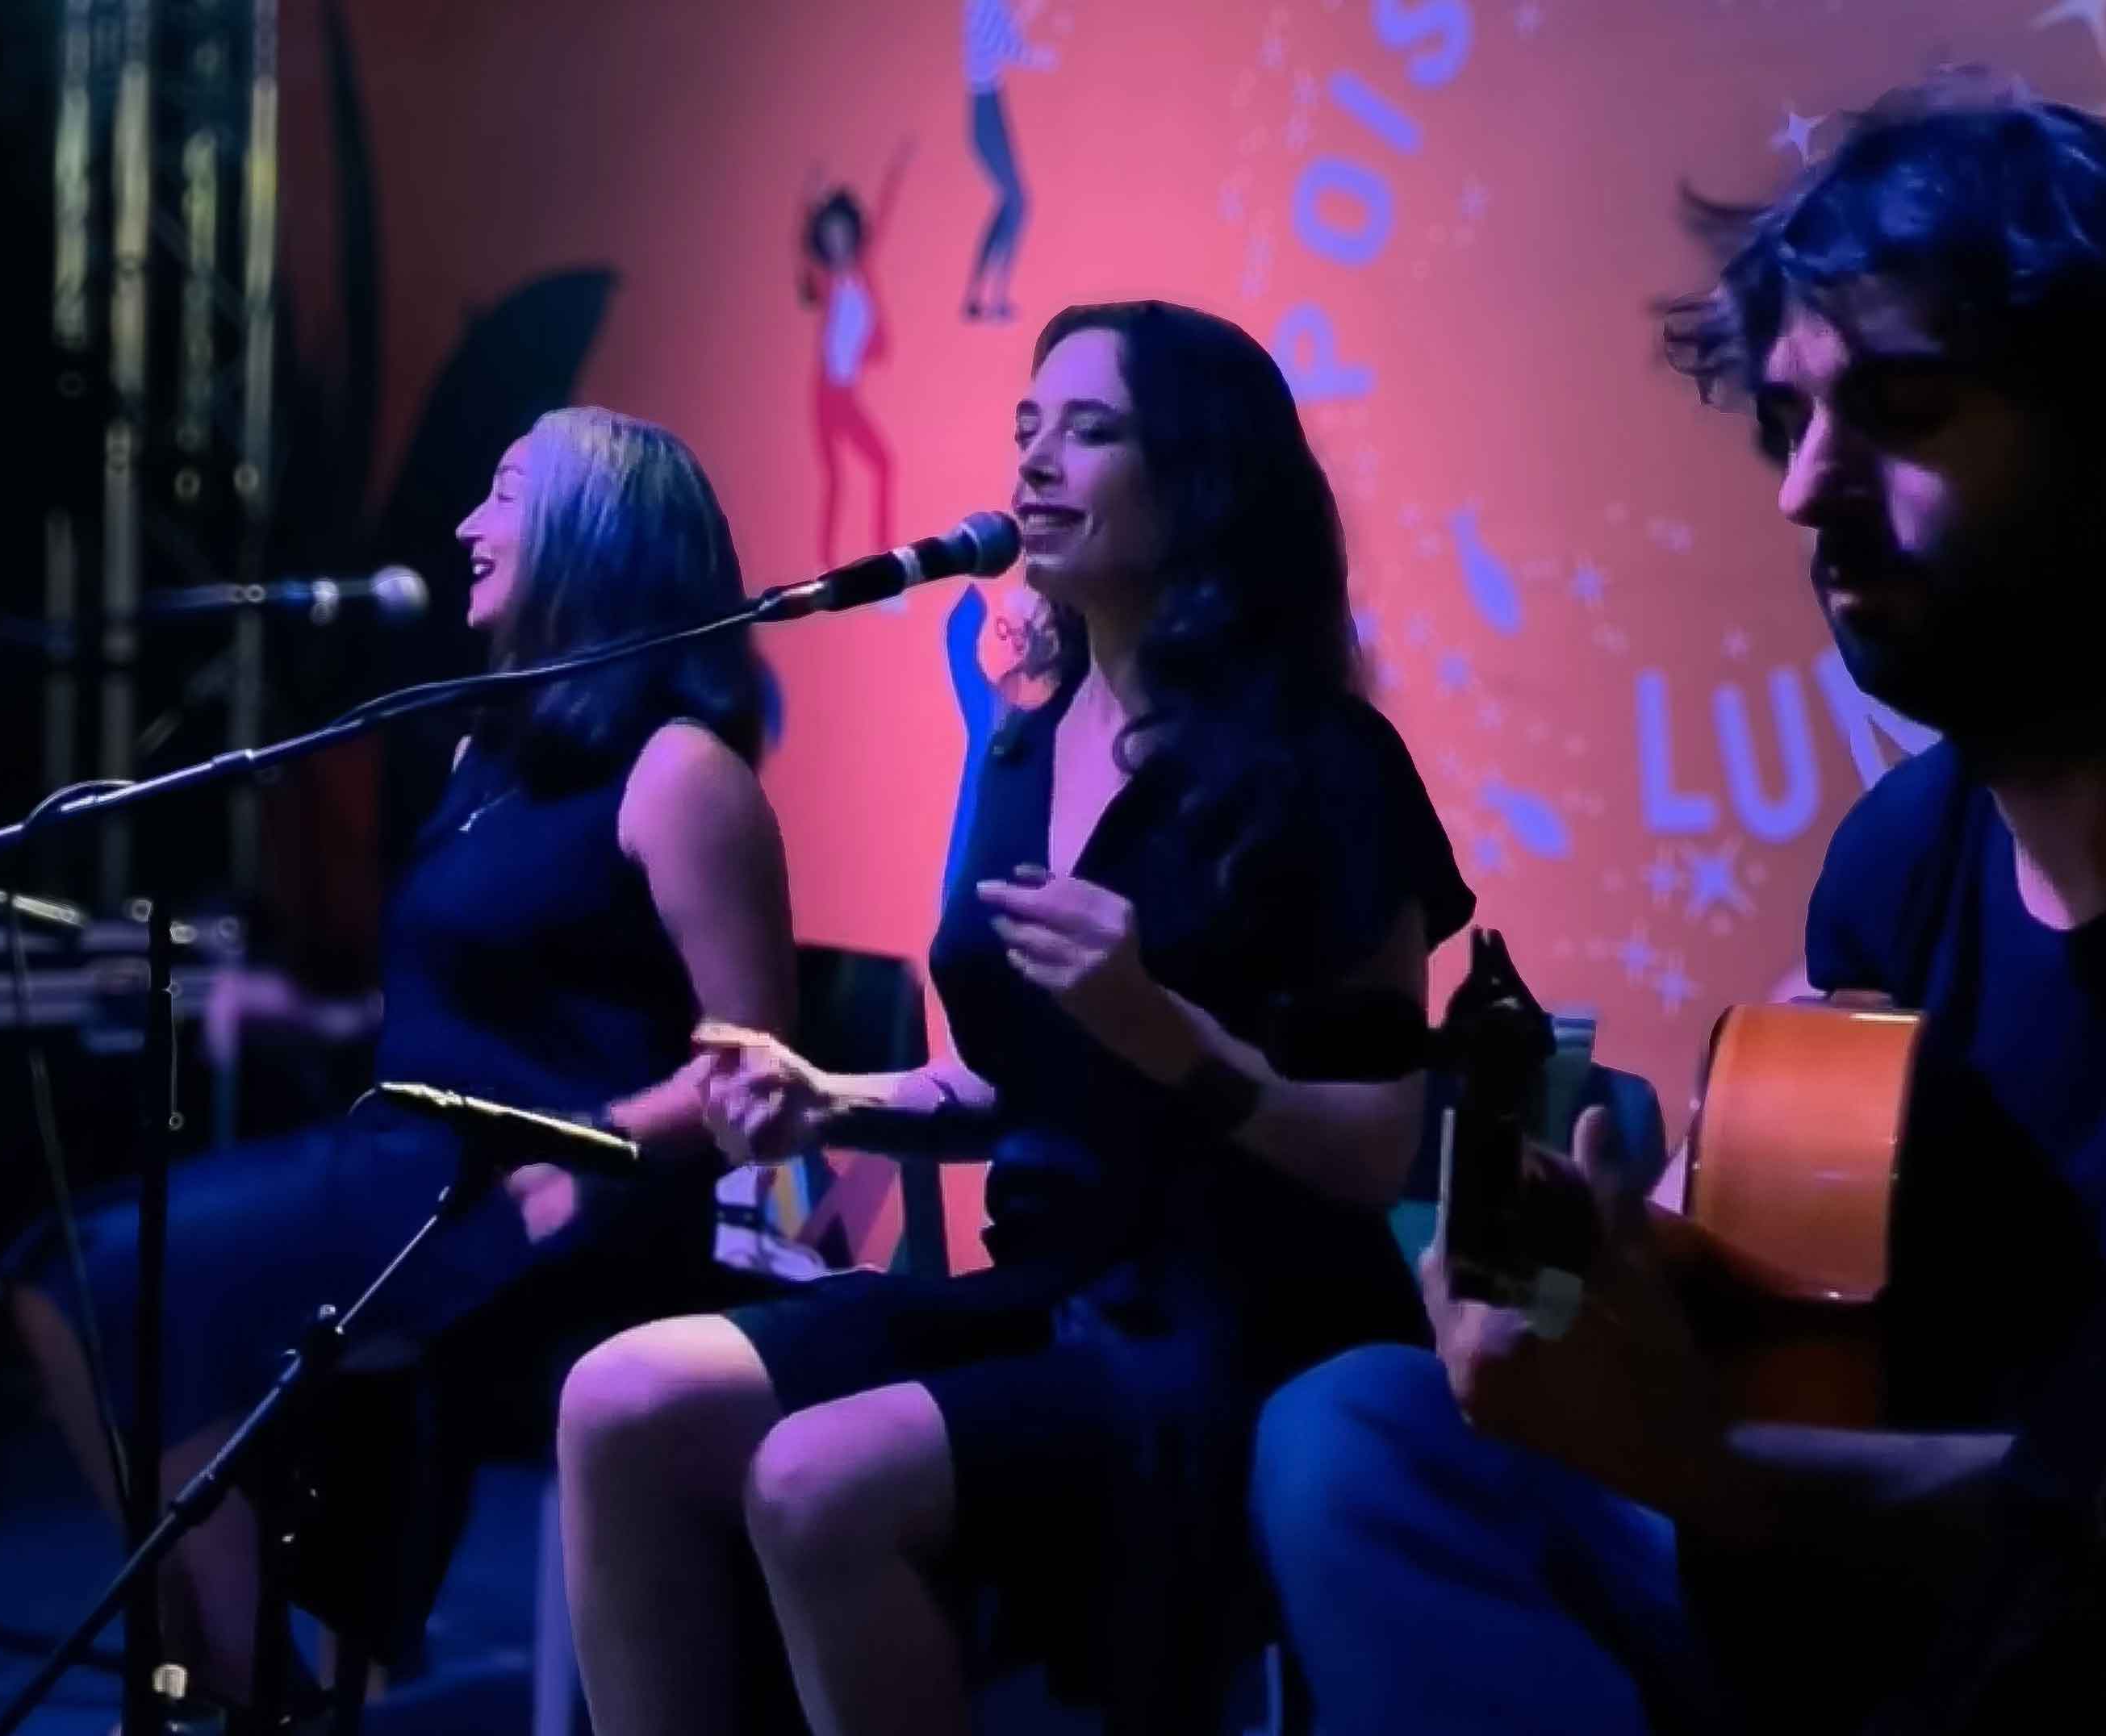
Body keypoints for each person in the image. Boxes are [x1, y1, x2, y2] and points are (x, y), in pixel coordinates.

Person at [1249, 74, 2106, 1736]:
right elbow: (1842, 1302)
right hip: (1854, 1558)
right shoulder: (1897, 861)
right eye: (1786, 419)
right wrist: (1646, 1278)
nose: (1804, 488)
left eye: (1906, 406)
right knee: (1355, 1431)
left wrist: (1721, 1468)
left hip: (2046, 1601)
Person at [559, 300, 1475, 1736]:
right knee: (622, 1399)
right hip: (1043, 1290)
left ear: (1203, 476)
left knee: (816, 1479)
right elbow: (1019, 1083)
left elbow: (1370, 1151)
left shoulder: (1328, 763)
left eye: (1091, 430)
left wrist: (1166, 1029)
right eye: (1026, 430)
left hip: (1238, 1325)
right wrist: (832, 1096)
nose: (1037, 464)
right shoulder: (1024, 744)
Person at [7, 407, 796, 1709]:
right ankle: (217, 1659)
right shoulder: (490, 745)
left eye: (501, 498)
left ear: (595, 539)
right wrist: (313, 1023)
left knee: (142, 1277)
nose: (463, 529)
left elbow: (755, 1061)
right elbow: (474, 991)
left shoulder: (681, 773)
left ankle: (241, 1685)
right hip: (407, 1154)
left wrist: (593, 1151)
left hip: (552, 1196)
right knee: (66, 1274)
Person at [799, 140, 914, 569]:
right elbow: (802, 255)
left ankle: (885, 564)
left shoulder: (862, 273)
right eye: (830, 235)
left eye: (844, 232)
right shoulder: (826, 282)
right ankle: (826, 569)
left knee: (881, 467)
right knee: (837, 480)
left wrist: (896, 168)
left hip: (845, 395)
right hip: (826, 396)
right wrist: (809, 199)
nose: (839, 241)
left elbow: (882, 217)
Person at [959, 0, 1056, 323]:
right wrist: (1041, 58)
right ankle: (995, 298)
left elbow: (1001, 30)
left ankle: (979, 296)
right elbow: (1002, 44)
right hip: (986, 112)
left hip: (990, 108)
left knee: (1010, 202)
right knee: (1017, 202)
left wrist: (1028, 12)